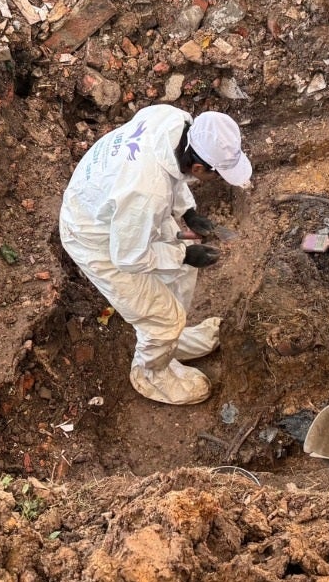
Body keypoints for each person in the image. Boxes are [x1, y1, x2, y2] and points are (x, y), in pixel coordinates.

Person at [59, 105, 252, 405]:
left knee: (181, 269)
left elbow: (172, 173)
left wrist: (187, 211)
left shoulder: (175, 120)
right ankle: (151, 373)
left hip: (112, 204)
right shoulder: (146, 192)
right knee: (163, 316)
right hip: (95, 237)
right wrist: (183, 255)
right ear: (199, 169)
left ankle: (173, 339)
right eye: (218, 174)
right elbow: (129, 258)